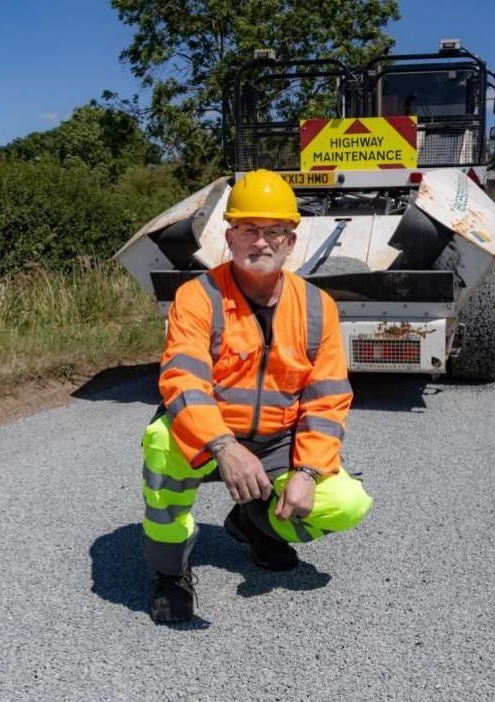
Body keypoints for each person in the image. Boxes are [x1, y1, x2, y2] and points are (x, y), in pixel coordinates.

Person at [141, 169, 372, 624]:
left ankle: (254, 523)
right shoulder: (197, 297)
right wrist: (224, 446)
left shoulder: (316, 306)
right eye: (248, 229)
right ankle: (169, 574)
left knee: (346, 503)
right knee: (162, 442)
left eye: (273, 231)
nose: (260, 242)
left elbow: (326, 401)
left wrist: (306, 470)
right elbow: (182, 381)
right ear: (229, 237)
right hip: (210, 438)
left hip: (277, 441)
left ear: (291, 240)